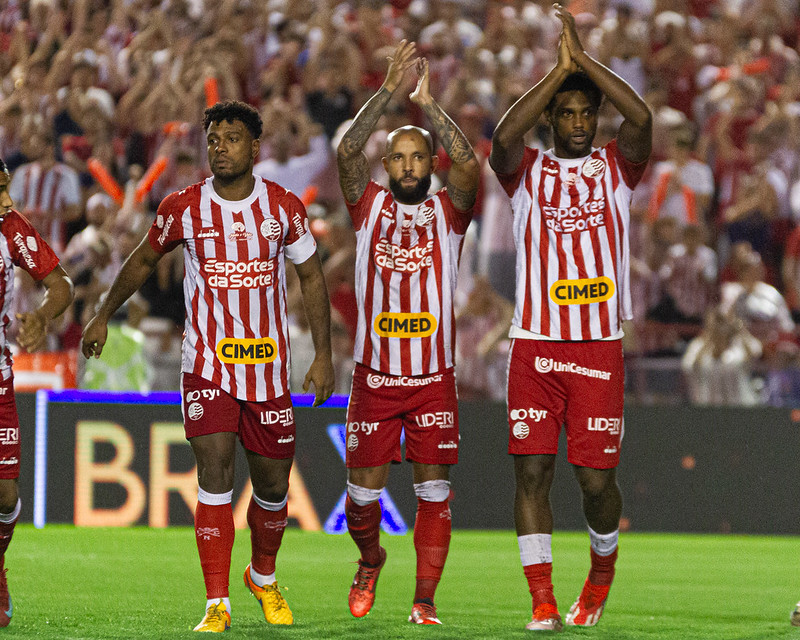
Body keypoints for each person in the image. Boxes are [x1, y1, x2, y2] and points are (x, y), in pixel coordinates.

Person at [81, 100, 334, 632]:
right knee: (214, 473)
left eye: (232, 138)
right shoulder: (183, 207)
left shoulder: (284, 208)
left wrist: (324, 356)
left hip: (267, 371)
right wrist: (104, 313)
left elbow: (311, 277)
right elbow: (144, 259)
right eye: (214, 139)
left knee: (271, 488)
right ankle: (215, 603)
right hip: (208, 367)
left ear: (255, 147)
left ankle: (262, 578)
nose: (221, 147)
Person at [490, 5, 652, 632]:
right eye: (568, 113)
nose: (580, 123)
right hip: (534, 346)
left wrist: (582, 63)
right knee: (532, 472)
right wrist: (554, 77)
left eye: (587, 114)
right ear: (552, 120)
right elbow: (503, 141)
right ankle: (542, 601)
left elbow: (641, 118)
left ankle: (602, 569)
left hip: (597, 348)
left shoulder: (617, 169)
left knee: (594, 484)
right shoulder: (528, 175)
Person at [336, 40, 479, 625]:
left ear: (429, 164)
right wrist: (389, 93)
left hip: (432, 379)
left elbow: (469, 166)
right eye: (398, 158)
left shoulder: (450, 212)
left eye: (419, 157)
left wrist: (430, 106)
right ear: (387, 167)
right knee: (361, 501)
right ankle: (370, 560)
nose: (410, 166)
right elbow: (346, 151)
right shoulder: (366, 206)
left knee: (433, 494)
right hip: (375, 377)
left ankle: (425, 600)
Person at [0, 157, 74, 627]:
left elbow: (59, 283)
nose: (7, 200)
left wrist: (43, 317)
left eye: (5, 187)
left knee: (6, 497)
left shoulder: (11, 229)